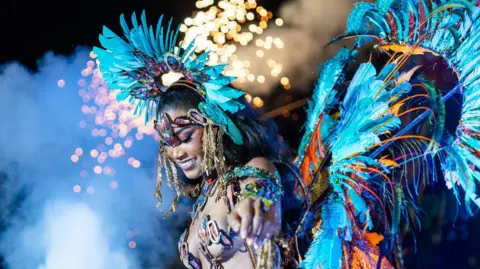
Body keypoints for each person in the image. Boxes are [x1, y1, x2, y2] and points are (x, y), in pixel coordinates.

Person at [95, 0, 480, 268]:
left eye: (184, 133)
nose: (176, 149)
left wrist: (259, 208)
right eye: (166, 140)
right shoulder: (203, 200)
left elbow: (260, 191)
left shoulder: (247, 175)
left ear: (213, 127)